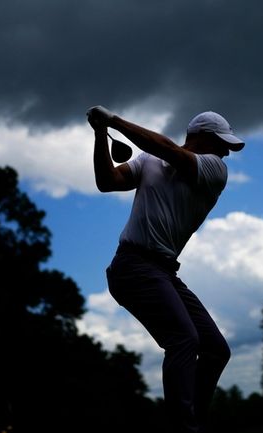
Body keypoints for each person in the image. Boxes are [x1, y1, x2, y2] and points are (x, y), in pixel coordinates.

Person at [87, 105, 243, 433]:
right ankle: (182, 427)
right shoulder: (148, 162)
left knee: (215, 350)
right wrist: (101, 133)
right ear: (202, 138)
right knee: (184, 338)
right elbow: (107, 180)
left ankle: (194, 422)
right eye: (223, 144)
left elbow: (167, 149)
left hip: (163, 271)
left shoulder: (214, 170)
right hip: (132, 266)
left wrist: (113, 120)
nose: (226, 153)